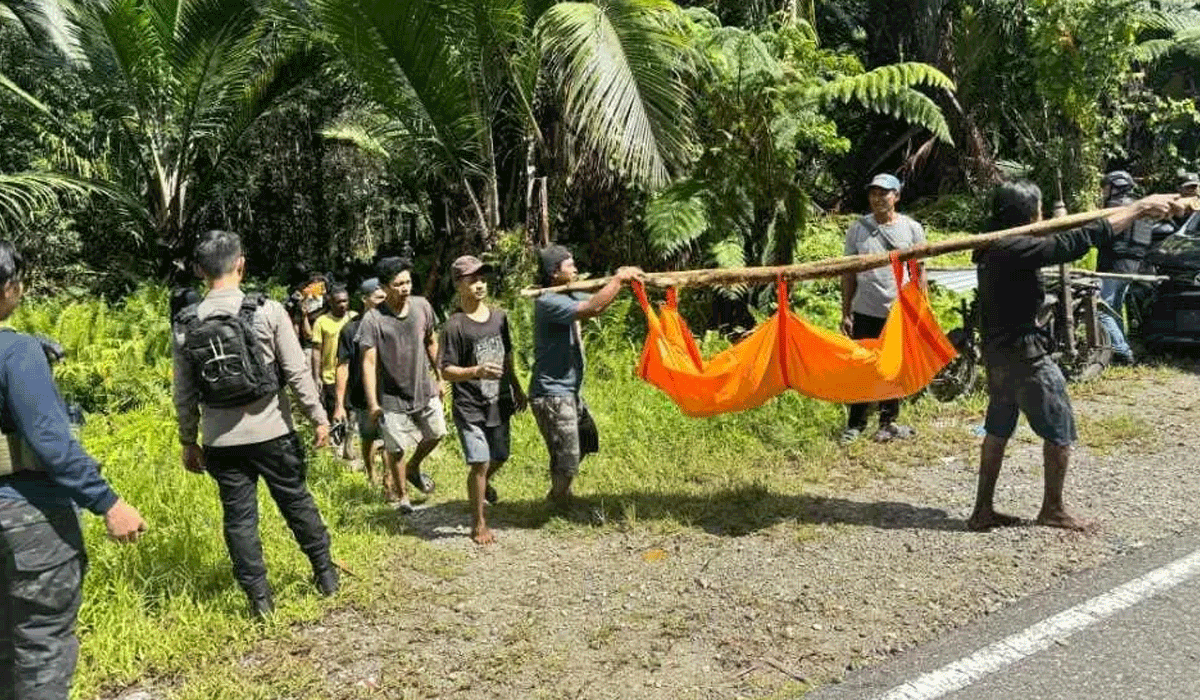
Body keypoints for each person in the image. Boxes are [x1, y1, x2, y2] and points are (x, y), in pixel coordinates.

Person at [966, 181, 1178, 532]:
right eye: (1039, 210)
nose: (1043, 215)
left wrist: (1133, 209)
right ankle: (1053, 509)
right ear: (1029, 213)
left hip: (999, 355)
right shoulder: (1014, 247)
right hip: (1026, 357)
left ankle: (982, 510)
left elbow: (1061, 235)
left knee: (998, 429)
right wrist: (1139, 208)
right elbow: (1073, 244)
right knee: (1060, 428)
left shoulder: (993, 244)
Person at [0, 241, 146, 700]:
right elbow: (51, 444)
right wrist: (108, 502)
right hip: (26, 520)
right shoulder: (16, 351)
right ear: (8, 288)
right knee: (41, 646)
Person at [172, 230, 338, 617]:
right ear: (241, 264)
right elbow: (297, 373)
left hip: (219, 441)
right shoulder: (267, 310)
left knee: (239, 518)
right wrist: (319, 419)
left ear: (199, 271)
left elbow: (184, 391)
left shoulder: (186, 323)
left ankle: (260, 600)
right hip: (273, 431)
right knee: (295, 500)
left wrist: (188, 439)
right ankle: (325, 574)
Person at [530, 245, 641, 508]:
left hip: (569, 391)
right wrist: (618, 279)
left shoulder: (566, 294)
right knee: (567, 457)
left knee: (586, 439)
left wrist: (624, 282)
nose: (576, 269)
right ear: (554, 272)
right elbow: (593, 307)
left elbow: (596, 294)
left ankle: (561, 490)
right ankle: (557, 502)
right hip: (552, 394)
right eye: (570, 265)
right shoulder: (548, 301)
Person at [439, 256, 528, 544]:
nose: (479, 285)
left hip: (498, 400)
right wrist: (475, 371)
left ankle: (482, 485)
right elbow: (447, 370)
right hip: (469, 405)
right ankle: (478, 523)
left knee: (499, 456)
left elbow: (508, 355)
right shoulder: (454, 326)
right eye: (471, 279)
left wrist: (516, 386)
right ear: (459, 285)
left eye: (482, 279)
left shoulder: (500, 317)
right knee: (480, 461)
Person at [840, 173, 926, 444]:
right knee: (862, 367)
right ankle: (855, 424)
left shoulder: (912, 229)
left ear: (896, 196)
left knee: (894, 367)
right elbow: (848, 274)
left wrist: (921, 310)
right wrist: (846, 311)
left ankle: (888, 422)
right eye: (874, 193)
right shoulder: (857, 230)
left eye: (884, 193)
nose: (878, 198)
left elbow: (919, 272)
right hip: (865, 309)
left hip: (898, 311)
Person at [359, 257, 443, 514]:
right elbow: (369, 362)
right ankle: (403, 497)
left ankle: (413, 468)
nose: (405, 288)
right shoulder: (373, 319)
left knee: (436, 433)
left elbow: (431, 340)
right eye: (398, 284)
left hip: (423, 386)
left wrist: (440, 376)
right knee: (395, 449)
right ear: (384, 287)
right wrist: (373, 402)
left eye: (408, 282)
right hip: (392, 394)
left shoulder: (422, 307)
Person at [332, 278, 391, 489]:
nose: (383, 301)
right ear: (365, 300)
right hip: (361, 393)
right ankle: (371, 471)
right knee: (368, 437)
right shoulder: (351, 330)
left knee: (389, 438)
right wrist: (339, 403)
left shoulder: (391, 323)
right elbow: (342, 366)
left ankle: (388, 479)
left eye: (385, 297)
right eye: (378, 298)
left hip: (389, 392)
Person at [1095, 170, 1155, 365]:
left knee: (1101, 309)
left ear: (1116, 186)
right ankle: (1121, 348)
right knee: (1114, 309)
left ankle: (1122, 351)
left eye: (1106, 187)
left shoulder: (1116, 208)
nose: (1104, 192)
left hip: (1113, 265)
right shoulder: (1140, 208)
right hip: (1132, 267)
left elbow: (1101, 236)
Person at [311, 284, 356, 457]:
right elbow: (316, 351)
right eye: (338, 302)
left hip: (351, 374)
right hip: (330, 375)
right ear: (331, 303)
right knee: (335, 413)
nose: (343, 305)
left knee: (351, 412)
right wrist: (317, 376)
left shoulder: (354, 318)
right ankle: (335, 448)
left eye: (345, 301)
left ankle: (348, 445)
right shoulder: (322, 322)